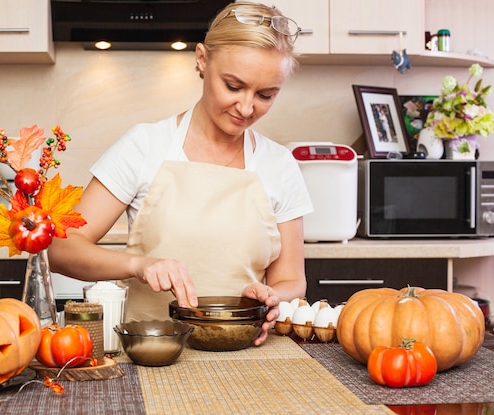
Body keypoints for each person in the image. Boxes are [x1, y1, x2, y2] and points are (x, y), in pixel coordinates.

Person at [48, 1, 313, 346]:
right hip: (152, 353)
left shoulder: (279, 164)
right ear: (202, 59)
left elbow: (291, 278)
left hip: (245, 356)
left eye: (265, 95)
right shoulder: (145, 145)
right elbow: (60, 248)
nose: (247, 108)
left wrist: (271, 297)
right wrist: (138, 266)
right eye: (233, 86)